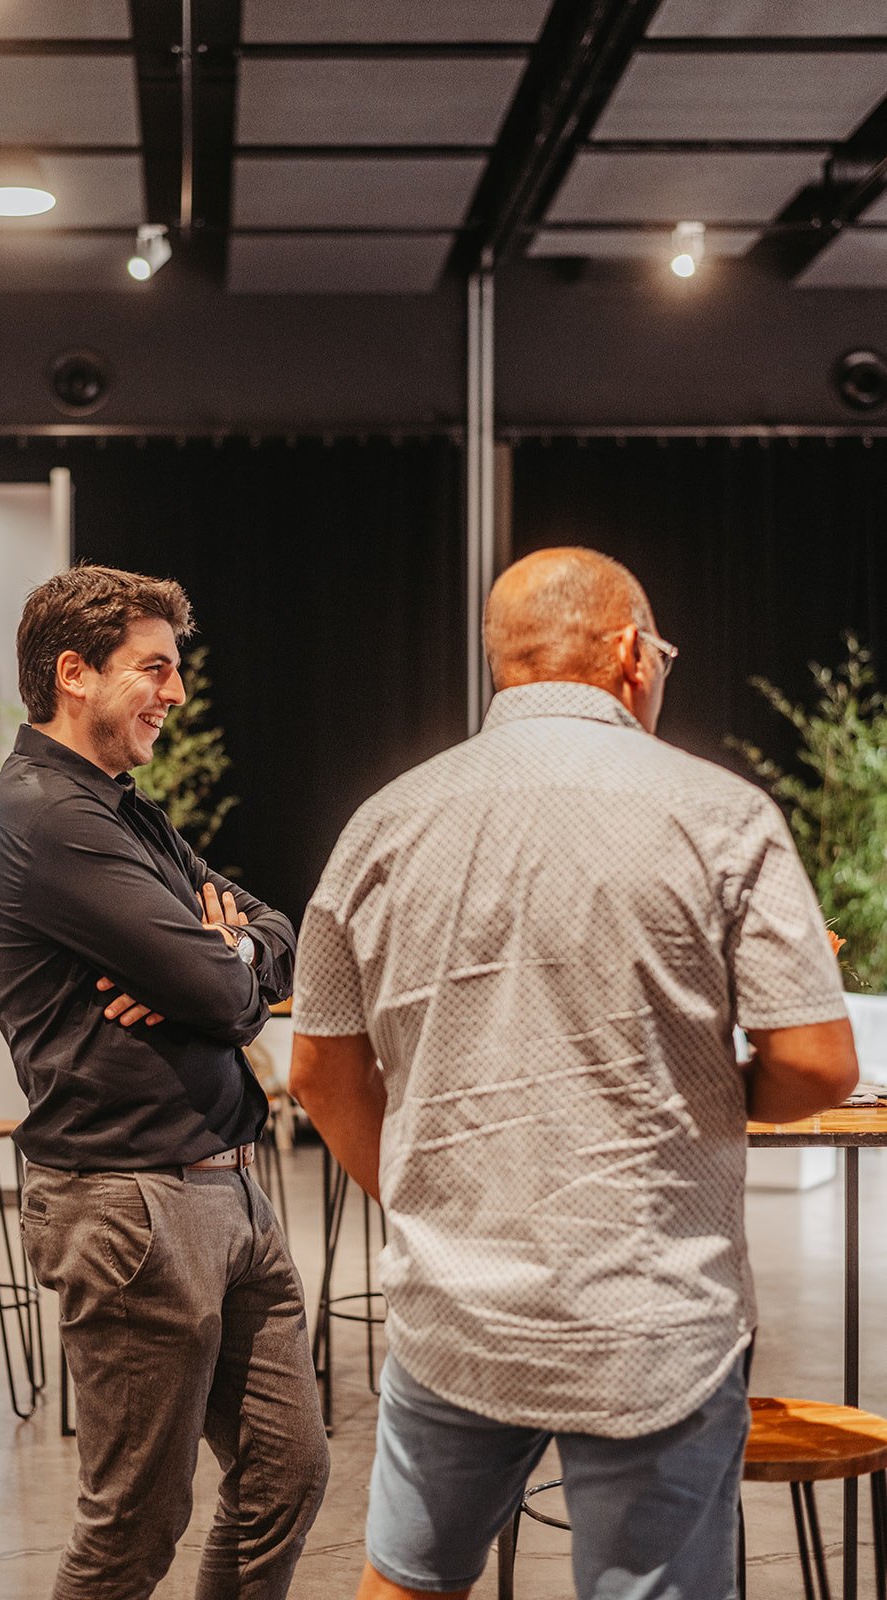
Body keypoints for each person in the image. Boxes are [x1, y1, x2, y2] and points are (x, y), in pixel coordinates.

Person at [289, 546, 859, 1600]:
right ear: (631, 654)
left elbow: (318, 1071)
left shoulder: (382, 822)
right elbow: (819, 1065)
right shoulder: (721, 815)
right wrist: (697, 1097)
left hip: (453, 1305)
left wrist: (418, 1199)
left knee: (406, 1582)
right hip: (649, 1314)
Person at [0, 563, 328, 1600]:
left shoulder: (123, 812)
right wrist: (216, 970)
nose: (175, 691)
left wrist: (226, 954)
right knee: (134, 1523)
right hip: (129, 1203)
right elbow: (221, 993)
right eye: (154, 668)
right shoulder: (48, 818)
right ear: (73, 673)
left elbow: (274, 932)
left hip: (226, 1189)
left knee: (286, 1474)